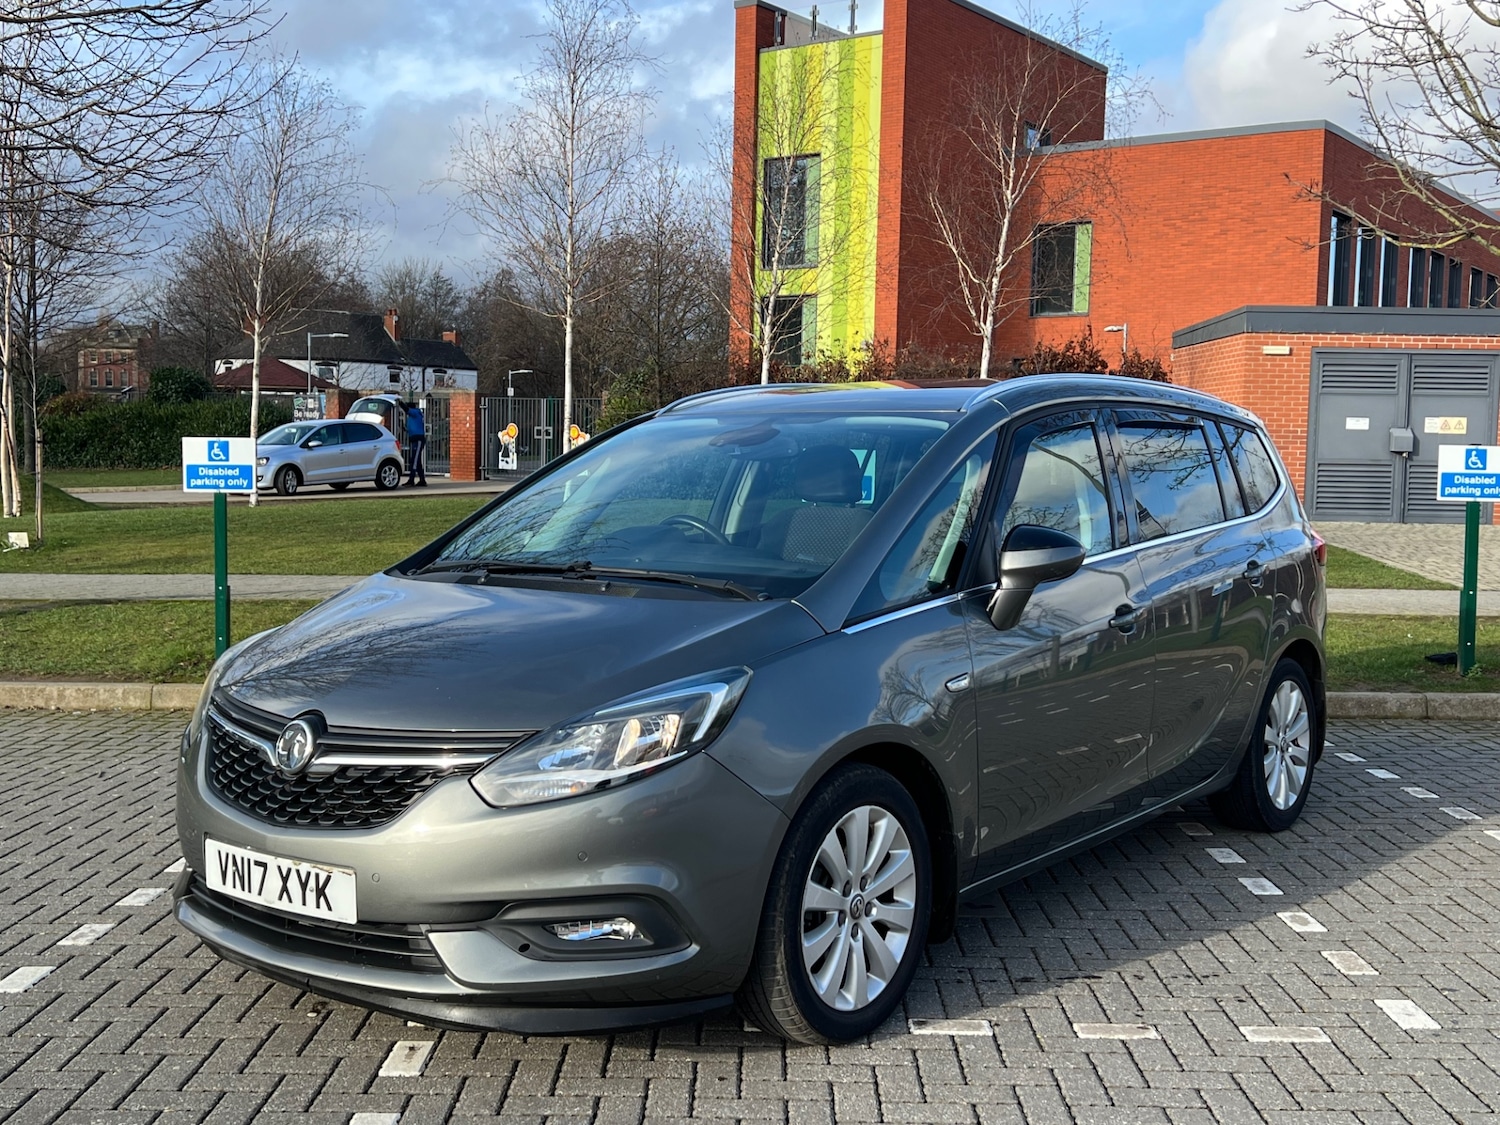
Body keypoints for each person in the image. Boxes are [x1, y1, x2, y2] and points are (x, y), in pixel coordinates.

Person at [404, 400, 427, 486]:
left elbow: (406, 409)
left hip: (418, 439)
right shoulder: (413, 416)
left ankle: (411, 479)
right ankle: (422, 480)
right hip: (415, 439)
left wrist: (400, 402)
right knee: (416, 461)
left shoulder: (415, 412)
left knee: (414, 460)